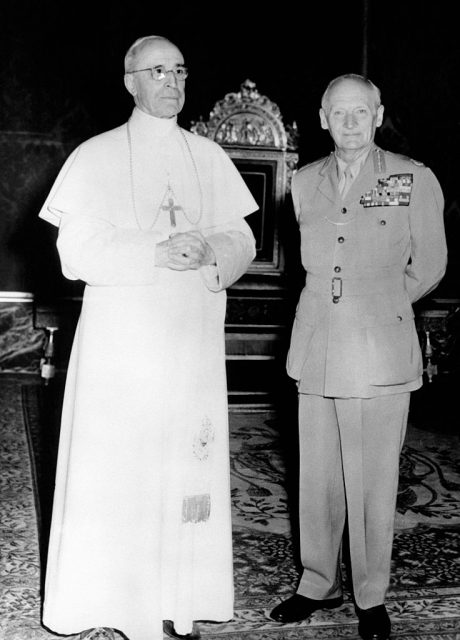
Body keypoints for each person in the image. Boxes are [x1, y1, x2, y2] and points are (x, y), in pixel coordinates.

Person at [38, 35, 258, 640]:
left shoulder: (208, 156)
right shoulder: (95, 155)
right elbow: (75, 251)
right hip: (123, 347)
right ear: (130, 81)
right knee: (123, 467)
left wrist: (213, 249)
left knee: (182, 463)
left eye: (180, 70)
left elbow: (243, 239)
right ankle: (111, 601)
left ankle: (177, 598)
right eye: (157, 70)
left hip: (189, 339)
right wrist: (155, 250)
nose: (171, 81)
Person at [269, 74, 447, 640]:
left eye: (360, 112)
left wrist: (383, 303)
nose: (349, 122)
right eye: (338, 113)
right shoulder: (301, 181)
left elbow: (432, 264)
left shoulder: (412, 177)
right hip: (317, 345)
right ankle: (316, 582)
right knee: (317, 476)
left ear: (378, 115)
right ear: (322, 118)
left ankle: (371, 594)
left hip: (378, 348)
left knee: (371, 480)